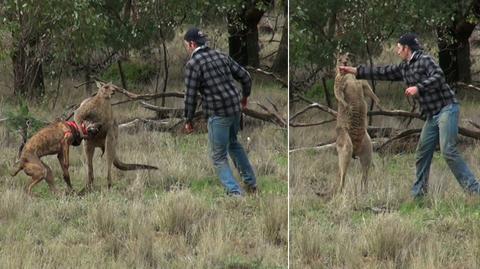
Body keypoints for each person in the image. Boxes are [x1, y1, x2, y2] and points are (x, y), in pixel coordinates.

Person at [339, 33, 480, 198]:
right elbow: (382, 72)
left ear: (407, 48)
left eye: (399, 48)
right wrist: (354, 71)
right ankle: (419, 194)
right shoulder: (404, 67)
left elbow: (439, 77)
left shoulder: (424, 60)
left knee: (448, 150)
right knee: (422, 153)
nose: (397, 52)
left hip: (447, 109)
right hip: (432, 115)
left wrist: (418, 88)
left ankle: (474, 191)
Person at [183, 27, 257, 196]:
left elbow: (190, 96)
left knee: (218, 156)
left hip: (218, 113)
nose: (187, 48)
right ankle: (251, 184)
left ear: (192, 44)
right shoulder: (221, 55)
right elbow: (245, 76)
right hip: (235, 108)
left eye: (187, 45)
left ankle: (235, 193)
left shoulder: (193, 64)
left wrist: (188, 120)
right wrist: (244, 97)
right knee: (234, 144)